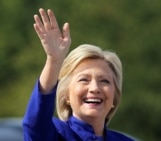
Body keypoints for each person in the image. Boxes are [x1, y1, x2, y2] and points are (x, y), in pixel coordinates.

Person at [22, 8, 135, 141]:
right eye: (84, 80)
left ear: (114, 97)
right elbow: (35, 125)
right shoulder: (58, 134)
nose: (94, 88)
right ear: (66, 95)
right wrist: (54, 61)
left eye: (104, 81)